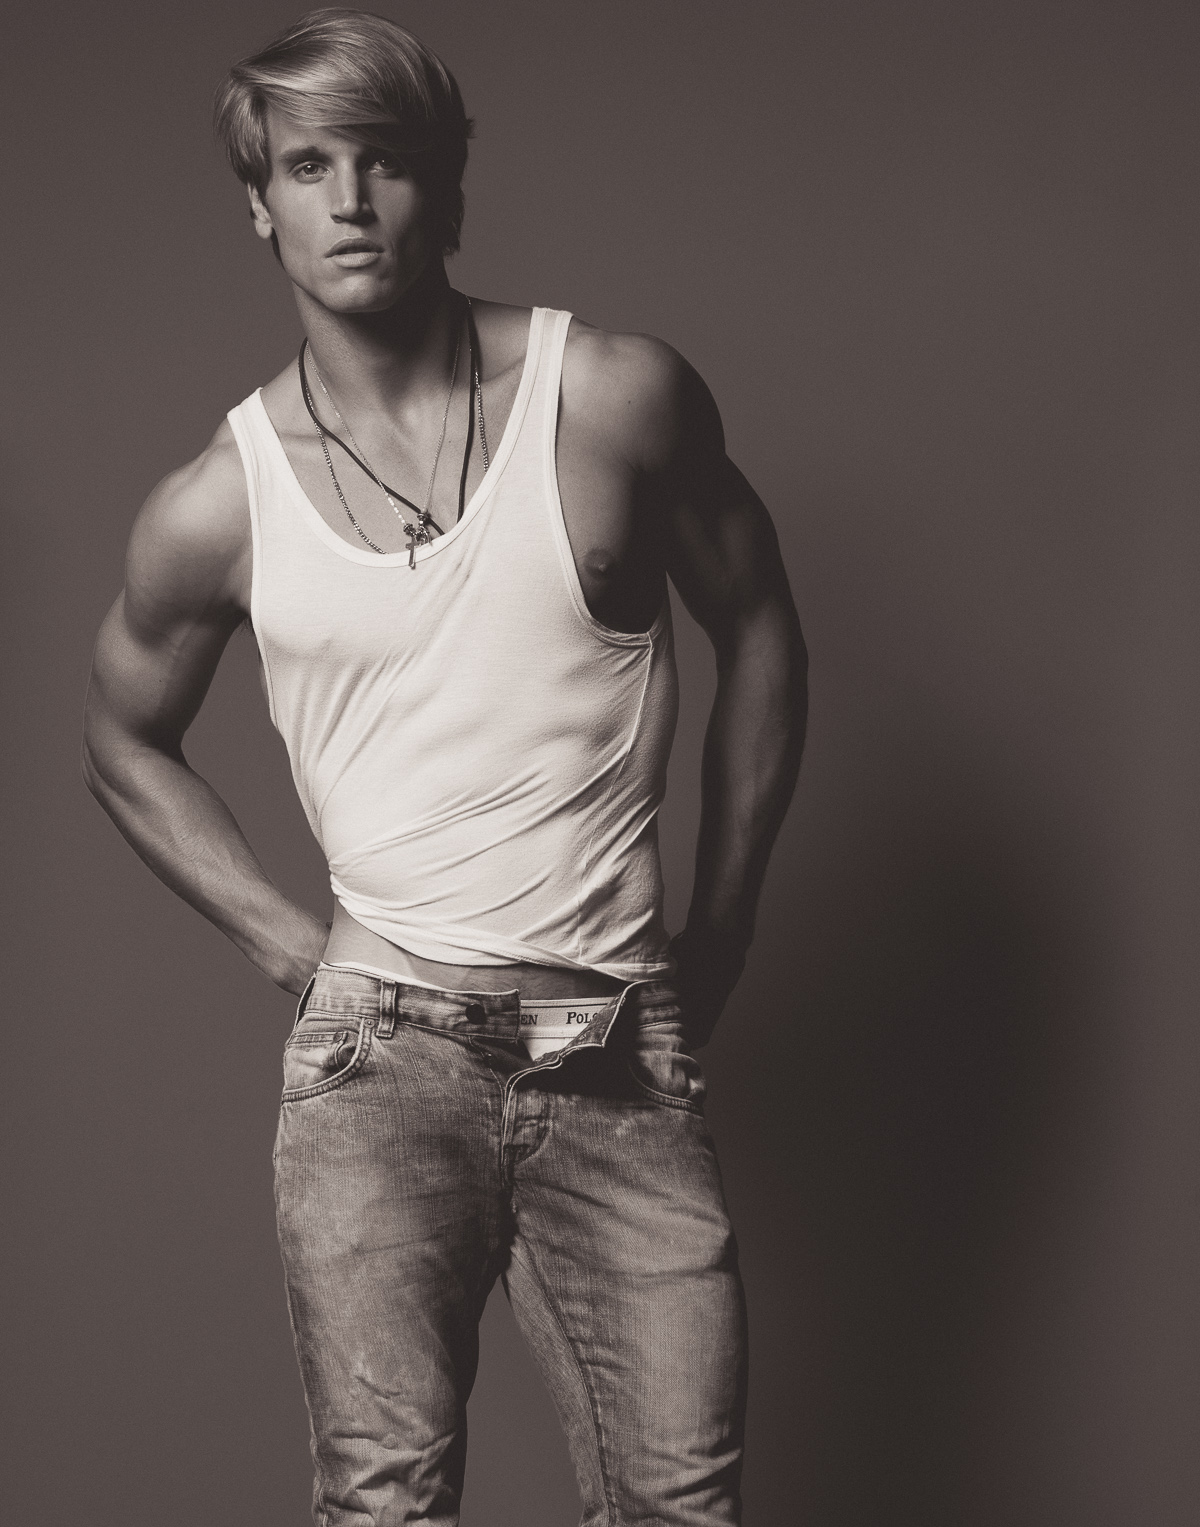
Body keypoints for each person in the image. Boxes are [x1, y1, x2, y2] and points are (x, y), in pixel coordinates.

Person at [82, 9, 807, 1524]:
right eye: (308, 166)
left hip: (618, 1049)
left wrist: (727, 925)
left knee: (684, 1507)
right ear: (261, 202)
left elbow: (759, 626)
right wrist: (292, 952)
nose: (350, 202)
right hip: (379, 1067)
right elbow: (122, 739)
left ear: (448, 186)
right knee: (387, 1508)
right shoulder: (219, 503)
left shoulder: (612, 396)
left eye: (387, 162)